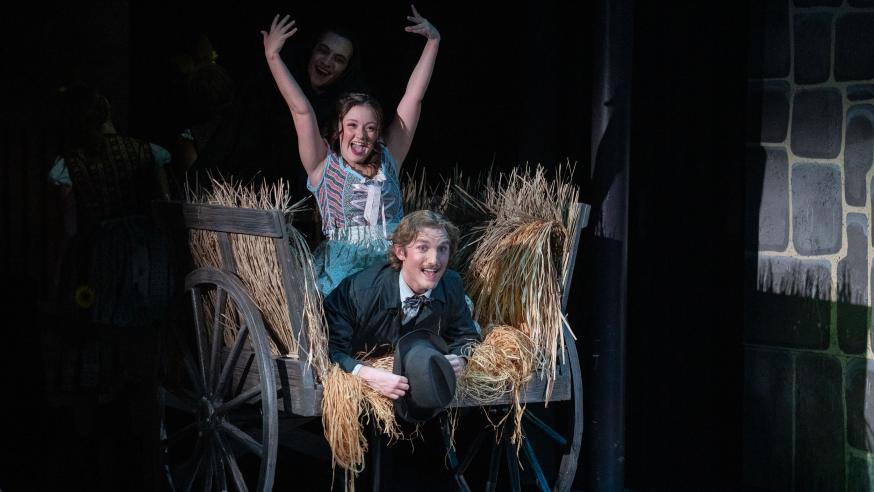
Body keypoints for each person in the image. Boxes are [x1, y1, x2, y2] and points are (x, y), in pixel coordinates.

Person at [45, 85, 175, 490]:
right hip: (146, 253)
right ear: (108, 113)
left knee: (100, 343)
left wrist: (59, 274)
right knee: (141, 341)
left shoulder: (70, 164)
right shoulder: (146, 152)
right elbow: (164, 204)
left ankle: (108, 442)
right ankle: (139, 440)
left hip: (101, 256)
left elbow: (70, 230)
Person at [262, 5, 441, 294]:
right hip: (345, 279)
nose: (361, 136)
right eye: (353, 126)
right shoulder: (323, 165)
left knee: (444, 291)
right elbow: (301, 111)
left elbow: (413, 98)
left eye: (370, 128)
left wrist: (433, 43)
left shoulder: (389, 160)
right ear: (339, 129)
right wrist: (273, 57)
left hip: (394, 268)